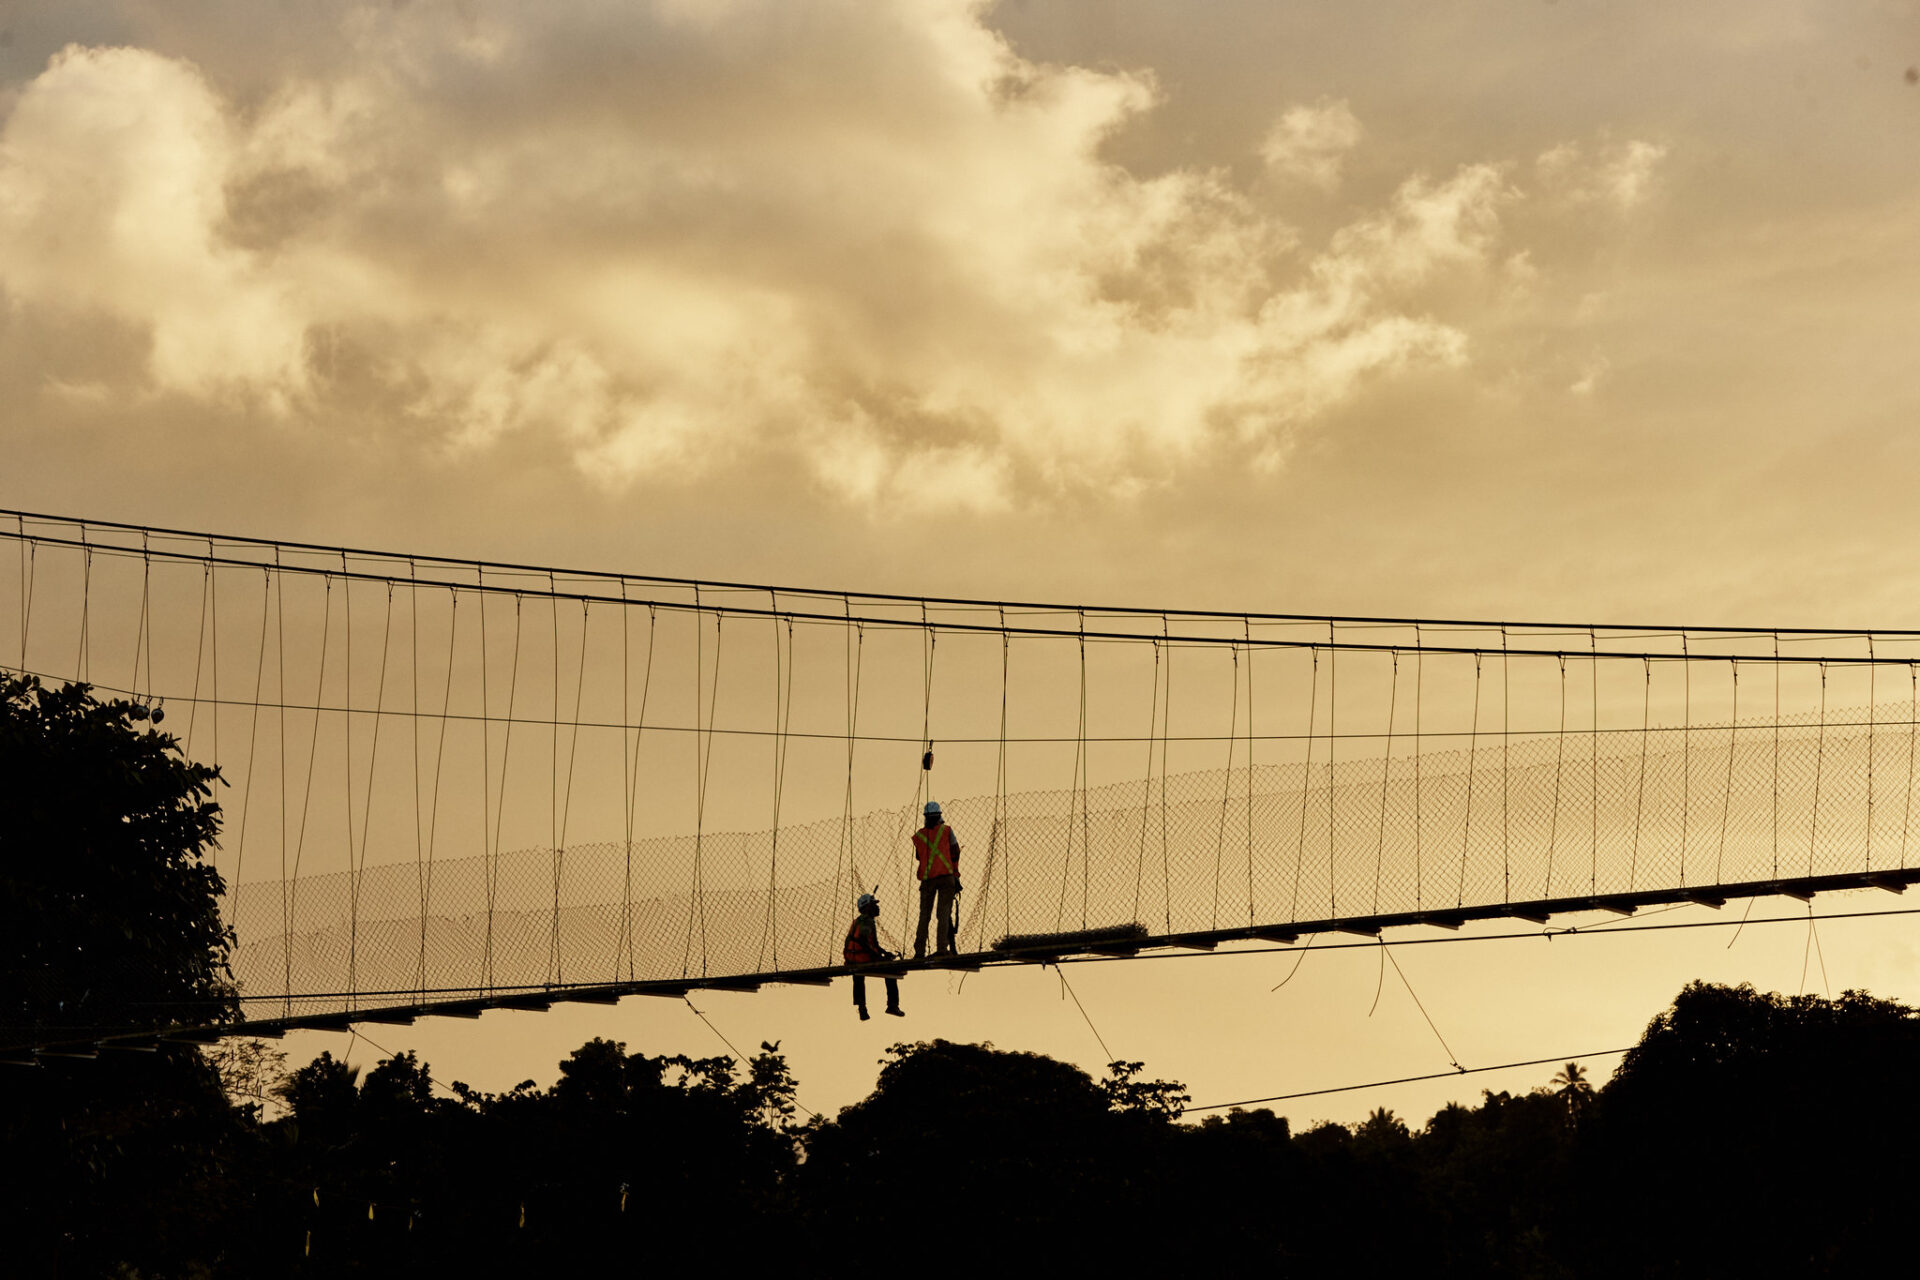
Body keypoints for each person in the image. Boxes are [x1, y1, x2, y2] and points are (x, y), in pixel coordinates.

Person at [912, 800, 962, 958]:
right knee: (943, 914)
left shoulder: (919, 835)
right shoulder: (946, 831)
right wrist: (956, 874)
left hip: (927, 880)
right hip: (946, 877)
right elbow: (955, 851)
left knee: (924, 916)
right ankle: (942, 949)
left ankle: (919, 951)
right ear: (940, 815)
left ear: (925, 817)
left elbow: (919, 856)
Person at [843, 893, 903, 1020]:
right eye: (874, 905)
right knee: (891, 970)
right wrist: (878, 957)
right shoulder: (867, 921)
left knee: (858, 976)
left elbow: (872, 943)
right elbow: (863, 941)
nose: (877, 907)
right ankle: (892, 1005)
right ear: (867, 907)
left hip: (852, 959)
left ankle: (862, 1007)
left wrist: (883, 952)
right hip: (862, 958)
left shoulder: (859, 921)